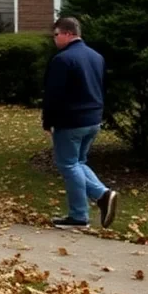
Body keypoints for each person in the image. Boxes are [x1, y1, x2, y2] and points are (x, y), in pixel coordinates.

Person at [43, 16, 118, 230]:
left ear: (68, 33)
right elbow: (102, 88)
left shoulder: (63, 59)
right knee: (79, 163)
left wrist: (48, 121)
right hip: (93, 119)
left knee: (68, 164)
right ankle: (101, 198)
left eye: (56, 35)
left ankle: (81, 214)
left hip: (71, 121)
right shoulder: (96, 57)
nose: (55, 39)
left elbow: (53, 95)